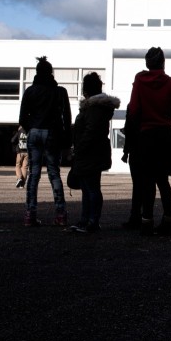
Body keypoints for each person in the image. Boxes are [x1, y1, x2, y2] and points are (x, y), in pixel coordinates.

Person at [125, 47, 171, 236]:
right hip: (165, 134)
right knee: (163, 180)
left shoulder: (139, 80)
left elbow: (133, 110)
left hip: (146, 136)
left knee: (147, 181)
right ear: (163, 62)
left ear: (147, 63)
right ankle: (168, 220)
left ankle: (146, 221)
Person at [19, 56, 72, 227]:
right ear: (51, 73)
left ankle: (30, 214)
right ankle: (60, 214)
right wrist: (66, 141)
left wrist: (31, 128)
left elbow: (22, 118)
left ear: (36, 72)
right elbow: (67, 117)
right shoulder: (60, 92)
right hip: (52, 133)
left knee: (34, 174)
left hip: (34, 131)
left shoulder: (30, 91)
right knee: (54, 173)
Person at [68, 73, 119, 233]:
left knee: (90, 188)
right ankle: (88, 220)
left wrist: (79, 148)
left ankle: (91, 221)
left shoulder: (93, 108)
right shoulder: (99, 107)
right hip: (94, 152)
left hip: (89, 153)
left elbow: (90, 131)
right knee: (89, 187)